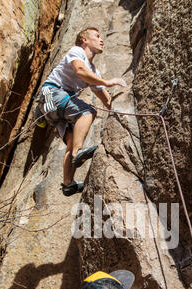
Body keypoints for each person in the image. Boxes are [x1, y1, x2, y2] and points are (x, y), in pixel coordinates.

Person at [36, 27, 126, 197]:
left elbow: (104, 98)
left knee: (71, 141)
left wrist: (119, 113)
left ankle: (68, 184)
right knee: (87, 112)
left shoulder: (93, 71)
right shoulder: (76, 51)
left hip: (58, 108)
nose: (101, 40)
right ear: (85, 40)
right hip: (51, 94)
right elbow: (80, 70)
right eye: (96, 36)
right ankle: (78, 154)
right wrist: (108, 82)